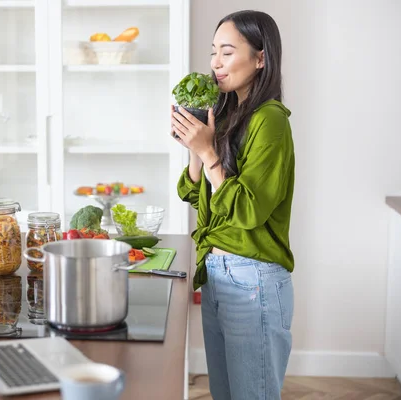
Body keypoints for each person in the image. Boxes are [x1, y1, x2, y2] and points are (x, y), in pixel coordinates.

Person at [171, 10, 295, 400]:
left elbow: (248, 211)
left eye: (227, 52)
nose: (216, 64)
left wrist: (208, 154)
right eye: (213, 53)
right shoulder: (228, 115)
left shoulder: (270, 120)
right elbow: (196, 197)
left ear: (261, 58)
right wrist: (195, 145)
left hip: (253, 278)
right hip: (219, 274)